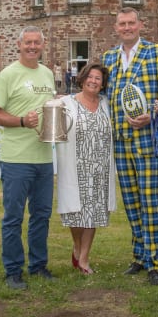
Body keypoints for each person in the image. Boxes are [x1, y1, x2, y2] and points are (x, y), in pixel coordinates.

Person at [102, 7, 158, 285]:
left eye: (132, 23)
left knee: (150, 202)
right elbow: (103, 98)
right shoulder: (108, 58)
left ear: (140, 25)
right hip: (120, 141)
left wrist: (153, 114)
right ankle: (139, 256)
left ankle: (155, 262)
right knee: (131, 202)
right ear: (116, 27)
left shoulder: (157, 52)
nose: (127, 27)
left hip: (148, 140)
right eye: (122, 23)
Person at [0, 26, 57, 290]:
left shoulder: (48, 74)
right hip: (16, 159)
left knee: (41, 215)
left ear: (43, 44)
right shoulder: (7, 75)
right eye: (28, 42)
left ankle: (38, 266)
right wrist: (20, 121)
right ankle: (13, 271)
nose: (32, 47)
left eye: (36, 43)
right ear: (19, 45)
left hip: (43, 157)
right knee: (13, 217)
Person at [55, 62, 116, 275]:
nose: (93, 81)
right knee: (76, 212)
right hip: (75, 165)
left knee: (94, 212)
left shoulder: (107, 104)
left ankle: (84, 258)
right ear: (82, 79)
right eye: (90, 77)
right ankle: (77, 246)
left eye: (98, 78)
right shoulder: (65, 102)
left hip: (100, 167)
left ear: (103, 83)